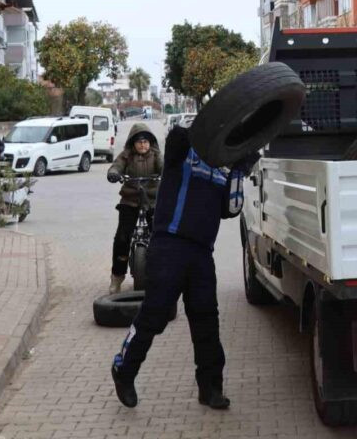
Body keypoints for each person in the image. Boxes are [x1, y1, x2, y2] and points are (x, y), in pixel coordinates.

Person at [110, 123, 258, 411]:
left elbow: (232, 209)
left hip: (202, 254)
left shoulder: (222, 170)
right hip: (169, 247)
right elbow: (177, 136)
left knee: (207, 322)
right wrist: (210, 121)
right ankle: (124, 370)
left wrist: (240, 167)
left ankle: (210, 388)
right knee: (155, 316)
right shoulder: (182, 152)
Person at [107, 123, 162, 294]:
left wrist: (169, 173)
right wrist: (114, 173)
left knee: (160, 237)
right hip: (129, 199)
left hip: (153, 200)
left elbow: (165, 166)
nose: (143, 145)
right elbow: (116, 166)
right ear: (133, 143)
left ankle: (161, 274)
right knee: (123, 237)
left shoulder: (156, 155)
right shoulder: (126, 156)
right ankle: (117, 276)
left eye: (146, 142)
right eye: (139, 142)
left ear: (150, 142)